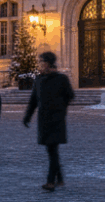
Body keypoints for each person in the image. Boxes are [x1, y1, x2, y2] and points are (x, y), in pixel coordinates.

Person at [24, 51, 75, 192]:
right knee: (51, 150)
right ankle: (59, 178)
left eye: (42, 62)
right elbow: (33, 100)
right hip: (44, 120)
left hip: (56, 120)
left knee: (52, 150)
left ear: (49, 63)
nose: (40, 64)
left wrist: (60, 109)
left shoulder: (61, 79)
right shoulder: (39, 79)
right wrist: (27, 116)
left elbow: (70, 95)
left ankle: (51, 181)